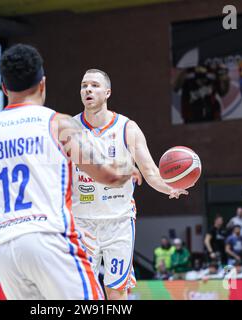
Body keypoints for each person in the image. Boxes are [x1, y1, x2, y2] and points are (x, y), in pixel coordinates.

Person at [0, 44, 141, 300]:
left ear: (4, 88)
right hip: (49, 241)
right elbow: (110, 176)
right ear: (42, 83)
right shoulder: (58, 124)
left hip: (5, 250)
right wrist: (130, 169)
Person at [71, 68, 188, 300]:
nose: (88, 90)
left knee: (116, 292)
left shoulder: (127, 128)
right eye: (84, 85)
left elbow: (151, 171)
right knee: (82, 292)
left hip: (119, 221)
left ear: (107, 92)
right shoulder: (69, 129)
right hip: (81, 222)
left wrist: (169, 188)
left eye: (94, 85)